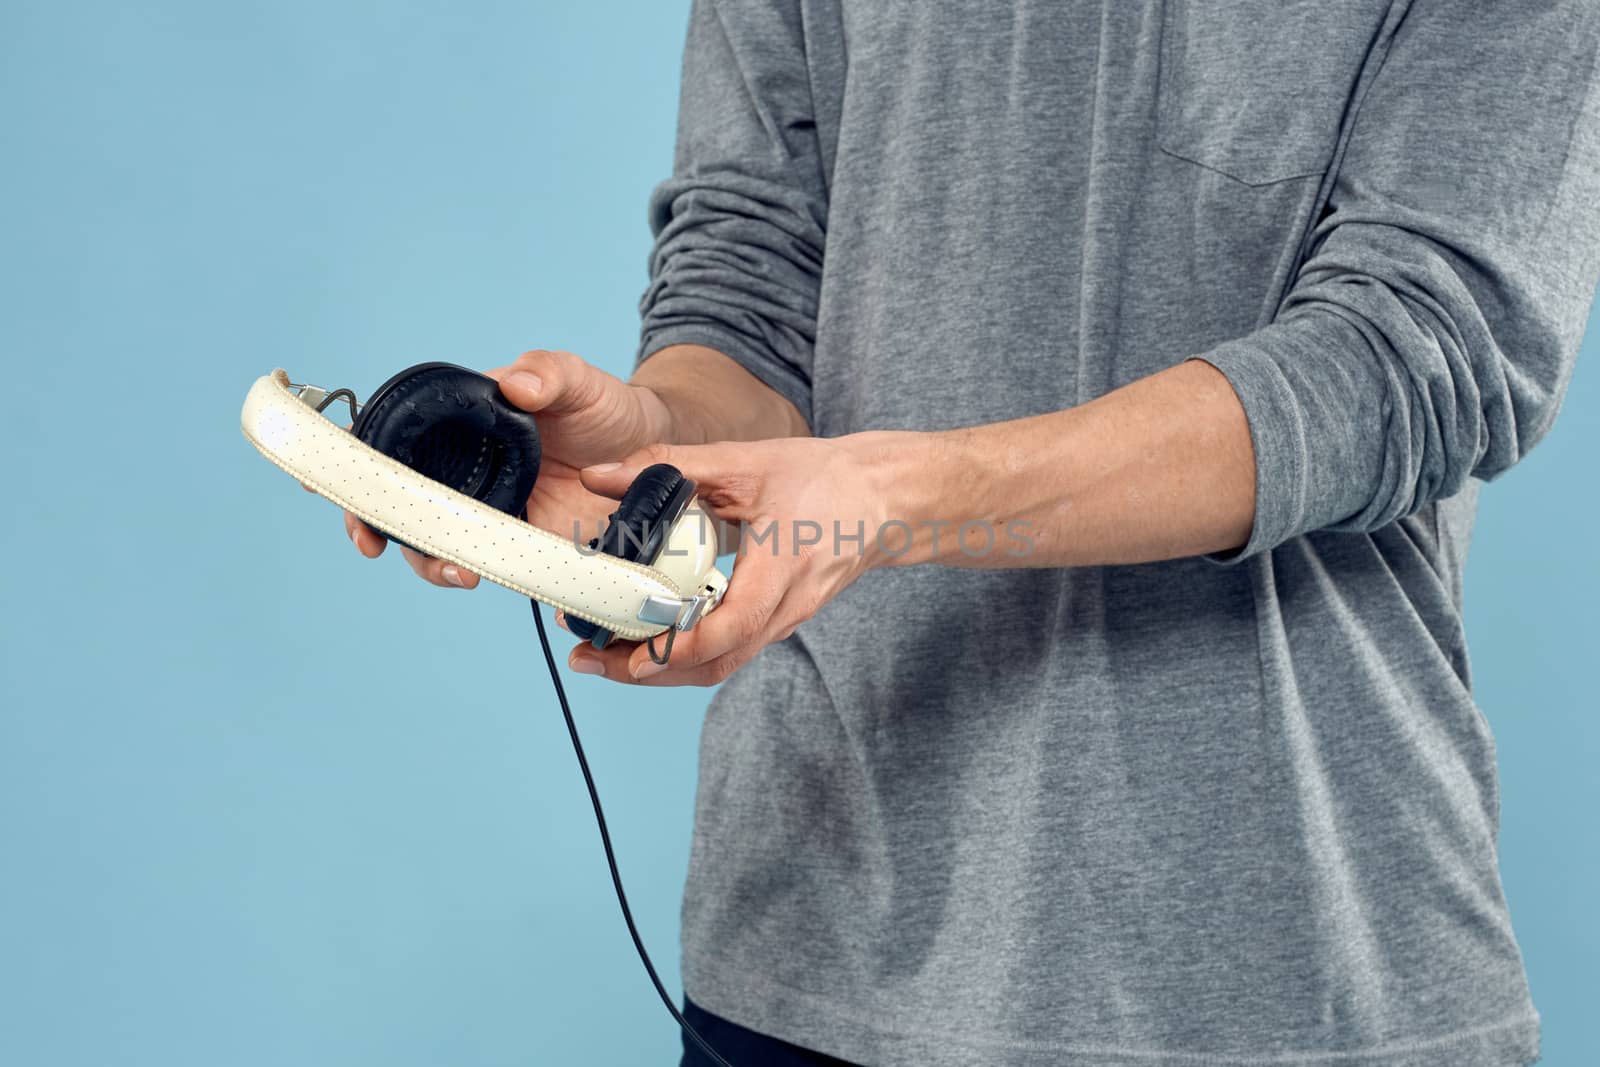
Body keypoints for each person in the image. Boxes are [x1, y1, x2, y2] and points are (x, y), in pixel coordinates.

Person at [343, 2, 1600, 1065]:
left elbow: (1424, 348)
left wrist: (893, 500)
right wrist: (651, 445)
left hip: (1279, 979)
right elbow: (753, 271)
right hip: (810, 951)